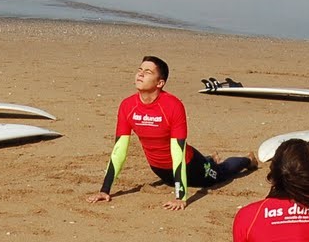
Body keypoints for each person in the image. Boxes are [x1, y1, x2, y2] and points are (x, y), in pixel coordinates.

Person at [88, 55, 254, 212]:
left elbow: (178, 152)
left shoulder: (173, 106)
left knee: (220, 174)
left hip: (190, 165)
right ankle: (210, 159)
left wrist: (180, 196)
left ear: (160, 82)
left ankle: (247, 159)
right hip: (159, 169)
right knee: (174, 178)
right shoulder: (127, 105)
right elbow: (119, 150)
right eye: (140, 70)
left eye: (148, 72)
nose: (140, 74)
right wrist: (105, 190)